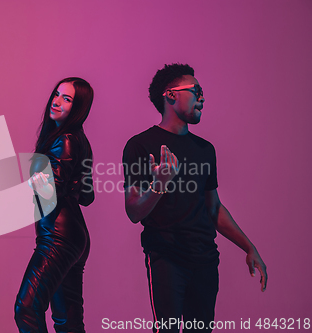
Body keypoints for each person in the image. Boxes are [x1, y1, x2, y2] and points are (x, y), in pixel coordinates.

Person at [122, 64, 267, 333]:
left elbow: (213, 209)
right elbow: (133, 212)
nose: (202, 97)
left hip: (205, 259)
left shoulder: (205, 149)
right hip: (166, 257)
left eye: (202, 92)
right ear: (170, 95)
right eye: (196, 90)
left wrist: (249, 247)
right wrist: (159, 185)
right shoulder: (140, 145)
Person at [14, 77, 95, 333]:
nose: (57, 102)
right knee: (67, 321)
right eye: (57, 95)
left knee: (26, 308)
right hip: (74, 237)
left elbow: (52, 192)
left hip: (58, 238)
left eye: (67, 99)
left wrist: (33, 186)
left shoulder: (66, 139)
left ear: (78, 107)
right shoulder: (77, 139)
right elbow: (87, 196)